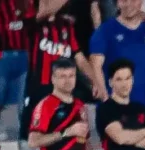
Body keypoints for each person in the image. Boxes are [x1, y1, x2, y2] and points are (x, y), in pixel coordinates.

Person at [19, 6, 100, 140]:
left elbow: (79, 58)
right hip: (40, 88)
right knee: (30, 135)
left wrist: (95, 81)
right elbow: (43, 12)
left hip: (64, 91)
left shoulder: (66, 25)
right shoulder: (34, 23)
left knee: (66, 133)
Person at [89, 0, 145, 115]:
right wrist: (105, 98)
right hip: (114, 112)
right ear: (118, 3)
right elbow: (95, 66)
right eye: (124, 0)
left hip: (144, 110)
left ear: (141, 2)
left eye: (134, 0)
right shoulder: (105, 31)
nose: (129, 4)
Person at [27, 58, 91, 150]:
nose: (68, 81)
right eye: (62, 76)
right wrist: (65, 133)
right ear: (53, 79)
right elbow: (33, 141)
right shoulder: (46, 105)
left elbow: (86, 146)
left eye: (71, 76)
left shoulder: (80, 106)